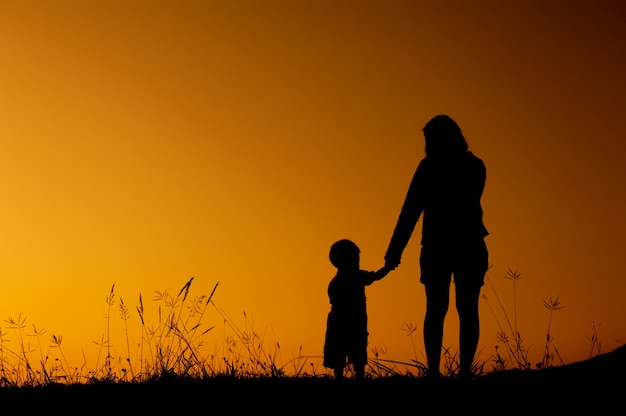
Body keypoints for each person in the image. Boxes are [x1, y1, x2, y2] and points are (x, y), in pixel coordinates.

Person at [384, 114, 489, 379]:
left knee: (458, 308)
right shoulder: (467, 166)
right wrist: (393, 252)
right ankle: (439, 371)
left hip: (453, 245)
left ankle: (454, 371)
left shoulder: (448, 167)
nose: (428, 143)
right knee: (446, 308)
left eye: (431, 138)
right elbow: (410, 211)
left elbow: (411, 210)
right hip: (450, 246)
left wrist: (394, 252)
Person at [323, 239, 391, 380]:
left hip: (338, 324)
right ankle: (358, 377)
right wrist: (389, 267)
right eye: (355, 259)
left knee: (339, 355)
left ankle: (340, 378)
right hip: (354, 324)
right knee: (356, 354)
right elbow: (376, 276)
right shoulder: (357, 277)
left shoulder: (335, 282)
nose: (357, 262)